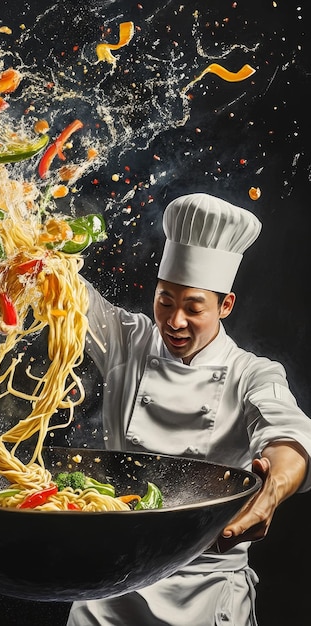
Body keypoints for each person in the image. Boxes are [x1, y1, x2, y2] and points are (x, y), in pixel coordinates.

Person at [67, 192, 311, 626]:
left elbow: (288, 437)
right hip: (109, 584)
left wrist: (270, 494)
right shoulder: (129, 340)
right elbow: (66, 291)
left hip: (205, 590)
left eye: (193, 307)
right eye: (165, 301)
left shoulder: (250, 373)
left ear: (225, 305)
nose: (174, 321)